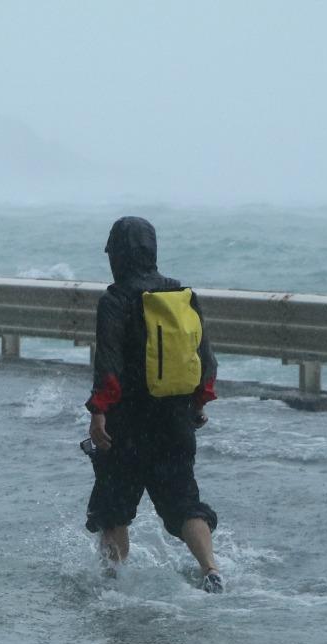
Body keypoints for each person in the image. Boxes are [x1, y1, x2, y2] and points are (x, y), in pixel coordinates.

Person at [84, 216, 224, 592]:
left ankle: (113, 584)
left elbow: (108, 366)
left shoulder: (115, 300)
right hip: (175, 419)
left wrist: (97, 412)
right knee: (184, 502)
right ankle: (211, 569)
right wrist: (198, 404)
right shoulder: (181, 296)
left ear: (117, 254)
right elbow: (205, 360)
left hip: (125, 423)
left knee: (113, 509)